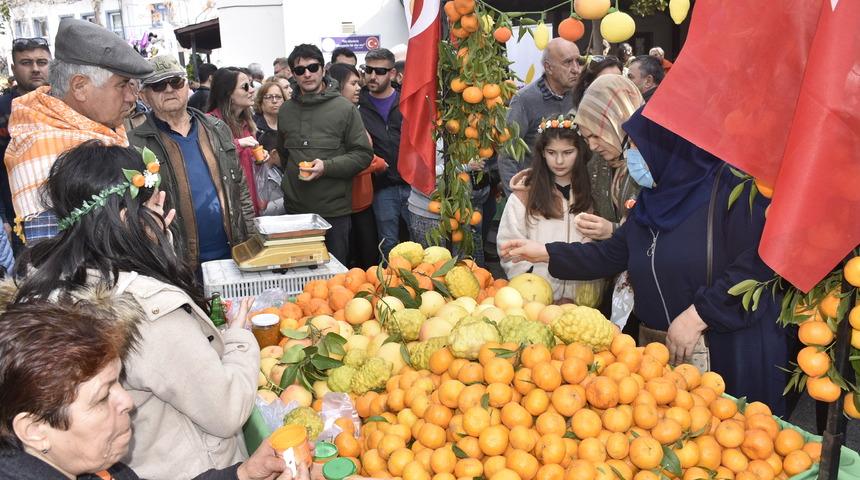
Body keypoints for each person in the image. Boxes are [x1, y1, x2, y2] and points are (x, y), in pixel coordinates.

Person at [500, 108, 794, 416]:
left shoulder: (733, 192)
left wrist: (699, 315)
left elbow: (761, 264)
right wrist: (545, 252)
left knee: (736, 439)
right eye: (630, 146)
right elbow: (610, 254)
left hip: (731, 351)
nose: (630, 156)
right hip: (670, 357)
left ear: (670, 146)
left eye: (639, 147)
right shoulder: (651, 202)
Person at [12, 142, 262, 478]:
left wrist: (154, 246)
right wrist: (239, 338)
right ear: (128, 218)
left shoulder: (45, 287)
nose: (165, 216)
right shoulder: (147, 309)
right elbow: (226, 408)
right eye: (155, 206)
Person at [0, 300, 306, 480]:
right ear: (34, 429)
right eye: (102, 396)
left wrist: (242, 475)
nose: (128, 403)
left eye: (118, 384)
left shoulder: (96, 468)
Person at [4, 18, 153, 244]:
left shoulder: (94, 131)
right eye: (122, 85)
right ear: (80, 87)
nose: (132, 97)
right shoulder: (47, 156)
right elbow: (52, 262)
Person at [129, 56, 256, 268]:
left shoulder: (217, 128)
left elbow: (240, 188)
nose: (169, 90)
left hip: (233, 254)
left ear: (187, 85)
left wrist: (251, 240)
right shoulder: (136, 143)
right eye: (159, 85)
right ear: (144, 95)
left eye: (176, 82)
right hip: (179, 262)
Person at [277, 44, 373, 263]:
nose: (307, 74)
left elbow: (362, 155)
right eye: (300, 70)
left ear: (323, 69)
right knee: (300, 281)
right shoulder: (286, 110)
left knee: (334, 282)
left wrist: (326, 166)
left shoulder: (344, 108)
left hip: (333, 214)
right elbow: (285, 155)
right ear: (293, 74)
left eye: (312, 67)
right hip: (295, 212)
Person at [497, 115, 605, 305]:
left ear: (580, 151)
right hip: (535, 301)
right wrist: (533, 282)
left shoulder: (594, 190)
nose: (559, 161)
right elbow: (508, 244)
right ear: (542, 153)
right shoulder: (525, 194)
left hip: (583, 302)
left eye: (568, 152)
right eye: (552, 152)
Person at [498, 37, 581, 196]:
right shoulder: (525, 100)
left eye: (578, 61)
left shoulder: (581, 95)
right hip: (537, 194)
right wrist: (518, 200)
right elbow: (507, 155)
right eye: (568, 62)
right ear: (548, 68)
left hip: (575, 194)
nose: (576, 69)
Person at [329, 63, 386, 268]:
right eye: (353, 83)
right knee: (350, 260)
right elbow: (348, 159)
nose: (358, 88)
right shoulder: (335, 118)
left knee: (368, 257)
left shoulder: (354, 113)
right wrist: (377, 164)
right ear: (338, 86)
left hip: (363, 200)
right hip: (345, 202)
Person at [574, 75, 642, 240]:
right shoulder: (597, 163)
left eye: (596, 135)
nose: (592, 146)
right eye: (586, 138)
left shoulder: (654, 161)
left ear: (618, 120)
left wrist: (614, 229)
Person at [358, 48, 408, 260]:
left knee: (420, 241)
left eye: (379, 71)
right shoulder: (357, 106)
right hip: (381, 186)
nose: (372, 76)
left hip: (412, 184)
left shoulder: (407, 101)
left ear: (393, 73)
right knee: (387, 244)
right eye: (368, 70)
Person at [0, 38, 51, 239]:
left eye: (42, 62)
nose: (36, 69)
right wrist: (3, 217)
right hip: (19, 217)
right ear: (14, 67)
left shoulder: (65, 104)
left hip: (66, 210)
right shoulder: (3, 109)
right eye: (26, 63)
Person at [207, 67, 268, 216]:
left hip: (249, 205)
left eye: (251, 84)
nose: (252, 90)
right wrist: (239, 144)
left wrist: (259, 159)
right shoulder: (209, 122)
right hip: (228, 209)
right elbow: (210, 156)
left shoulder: (246, 123)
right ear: (228, 93)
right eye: (245, 87)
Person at [253, 79, 288, 215]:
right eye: (269, 97)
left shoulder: (289, 122)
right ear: (261, 101)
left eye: (278, 97)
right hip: (264, 183)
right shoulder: (254, 125)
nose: (274, 101)